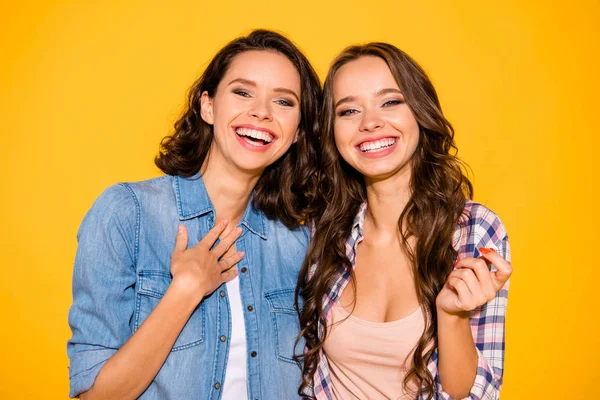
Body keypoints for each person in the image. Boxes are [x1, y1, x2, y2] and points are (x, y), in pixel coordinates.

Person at [67, 29, 321, 400]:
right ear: (207, 106)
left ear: (298, 132)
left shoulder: (300, 240)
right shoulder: (127, 214)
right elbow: (94, 396)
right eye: (243, 92)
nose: (262, 112)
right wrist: (184, 291)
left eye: (283, 102)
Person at [297, 43, 512, 400]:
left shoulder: (474, 230)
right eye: (349, 110)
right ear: (332, 132)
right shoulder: (320, 232)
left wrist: (451, 313)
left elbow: (470, 394)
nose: (370, 122)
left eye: (390, 101)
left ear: (420, 112)